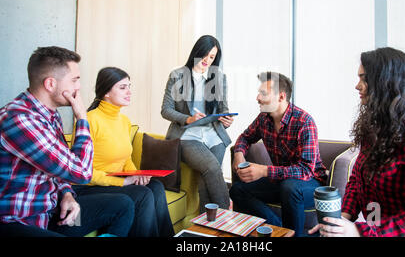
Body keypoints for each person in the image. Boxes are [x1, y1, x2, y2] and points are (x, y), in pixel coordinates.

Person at [309, 47, 405, 237]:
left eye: (364, 78)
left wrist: (359, 232)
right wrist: (343, 217)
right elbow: (358, 178)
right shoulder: (377, 126)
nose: (357, 86)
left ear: (388, 83)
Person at [0, 46, 134, 237]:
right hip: (19, 222)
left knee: (122, 205)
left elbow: (59, 170)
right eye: (74, 80)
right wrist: (81, 117)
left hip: (52, 214)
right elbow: (81, 173)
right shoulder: (19, 119)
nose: (78, 87)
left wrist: (68, 195)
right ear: (50, 84)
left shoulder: (49, 115)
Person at [72, 67, 174, 237]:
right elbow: (82, 172)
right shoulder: (89, 120)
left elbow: (125, 159)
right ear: (106, 92)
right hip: (90, 186)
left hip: (114, 180)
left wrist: (137, 175)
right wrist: (124, 183)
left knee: (155, 186)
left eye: (129, 86)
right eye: (122, 87)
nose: (129, 92)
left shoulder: (124, 121)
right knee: (142, 195)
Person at [229, 71, 327, 237]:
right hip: (282, 180)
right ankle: (280, 230)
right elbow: (245, 137)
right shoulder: (263, 118)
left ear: (281, 97)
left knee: (290, 187)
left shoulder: (305, 122)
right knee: (237, 190)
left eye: (263, 94)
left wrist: (264, 171)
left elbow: (305, 171)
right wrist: (239, 154)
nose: (257, 98)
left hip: (310, 183)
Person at [161, 35, 233, 212]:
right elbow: (166, 110)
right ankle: (228, 215)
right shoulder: (178, 75)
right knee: (211, 167)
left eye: (212, 57)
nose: (207, 60)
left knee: (205, 178)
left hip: (213, 134)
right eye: (205, 55)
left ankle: (207, 227)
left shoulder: (219, 78)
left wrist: (227, 119)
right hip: (187, 135)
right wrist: (188, 119)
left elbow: (224, 109)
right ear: (196, 52)